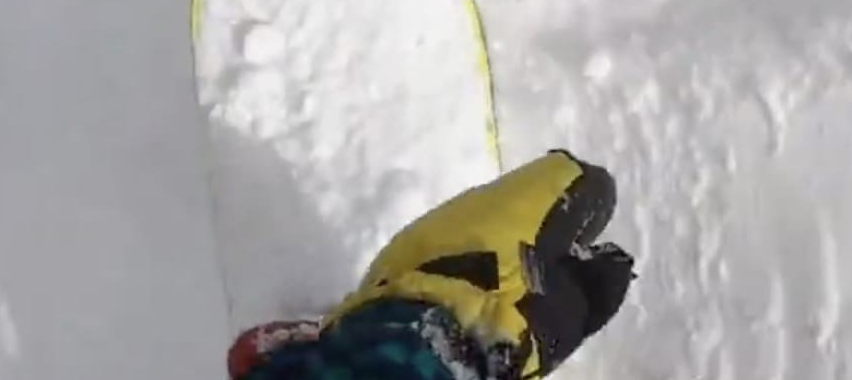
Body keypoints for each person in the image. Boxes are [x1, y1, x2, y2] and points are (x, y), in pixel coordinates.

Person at [228, 151, 636, 380]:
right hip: (481, 331)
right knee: (579, 192)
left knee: (580, 185)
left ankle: (356, 342)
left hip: (434, 292)